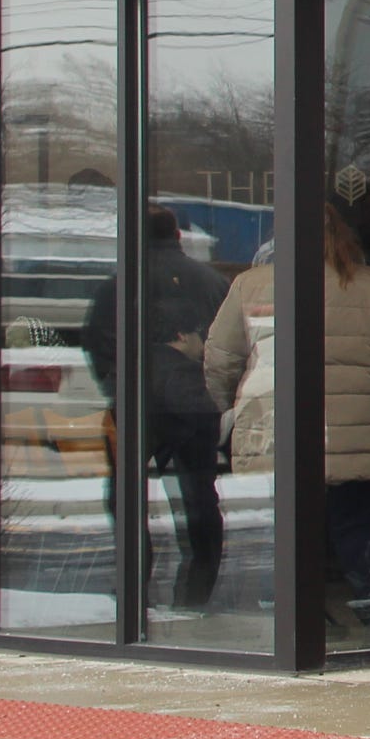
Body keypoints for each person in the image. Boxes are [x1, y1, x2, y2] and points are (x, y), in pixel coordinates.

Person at [208, 206, 370, 625]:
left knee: (284, 526)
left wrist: (230, 408)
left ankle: (295, 622)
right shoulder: (369, 284)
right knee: (356, 522)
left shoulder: (250, 286)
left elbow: (220, 360)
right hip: (354, 426)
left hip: (273, 424)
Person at [85, 207, 232, 612]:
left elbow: (98, 341)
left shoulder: (120, 285)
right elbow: (230, 343)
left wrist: (118, 384)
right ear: (178, 236)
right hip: (196, 405)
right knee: (199, 497)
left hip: (138, 406)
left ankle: (134, 584)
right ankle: (197, 591)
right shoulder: (213, 282)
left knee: (125, 496)